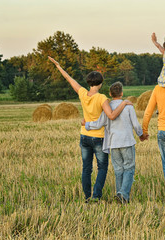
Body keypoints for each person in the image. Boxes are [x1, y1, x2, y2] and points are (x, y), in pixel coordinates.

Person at [48, 56, 132, 203]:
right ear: (100, 83)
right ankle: (95, 196)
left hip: (84, 136)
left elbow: (69, 79)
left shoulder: (82, 93)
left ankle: (87, 196)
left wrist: (58, 66)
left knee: (86, 168)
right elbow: (111, 116)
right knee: (102, 168)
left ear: (89, 82)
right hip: (99, 138)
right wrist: (124, 104)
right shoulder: (101, 98)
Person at [82, 82, 146, 204]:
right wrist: (141, 135)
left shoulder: (107, 106)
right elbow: (136, 125)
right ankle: (123, 194)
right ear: (122, 93)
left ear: (110, 94)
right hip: (127, 142)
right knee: (129, 168)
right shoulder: (128, 106)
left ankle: (119, 194)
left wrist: (87, 124)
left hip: (113, 143)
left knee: (118, 169)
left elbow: (99, 123)